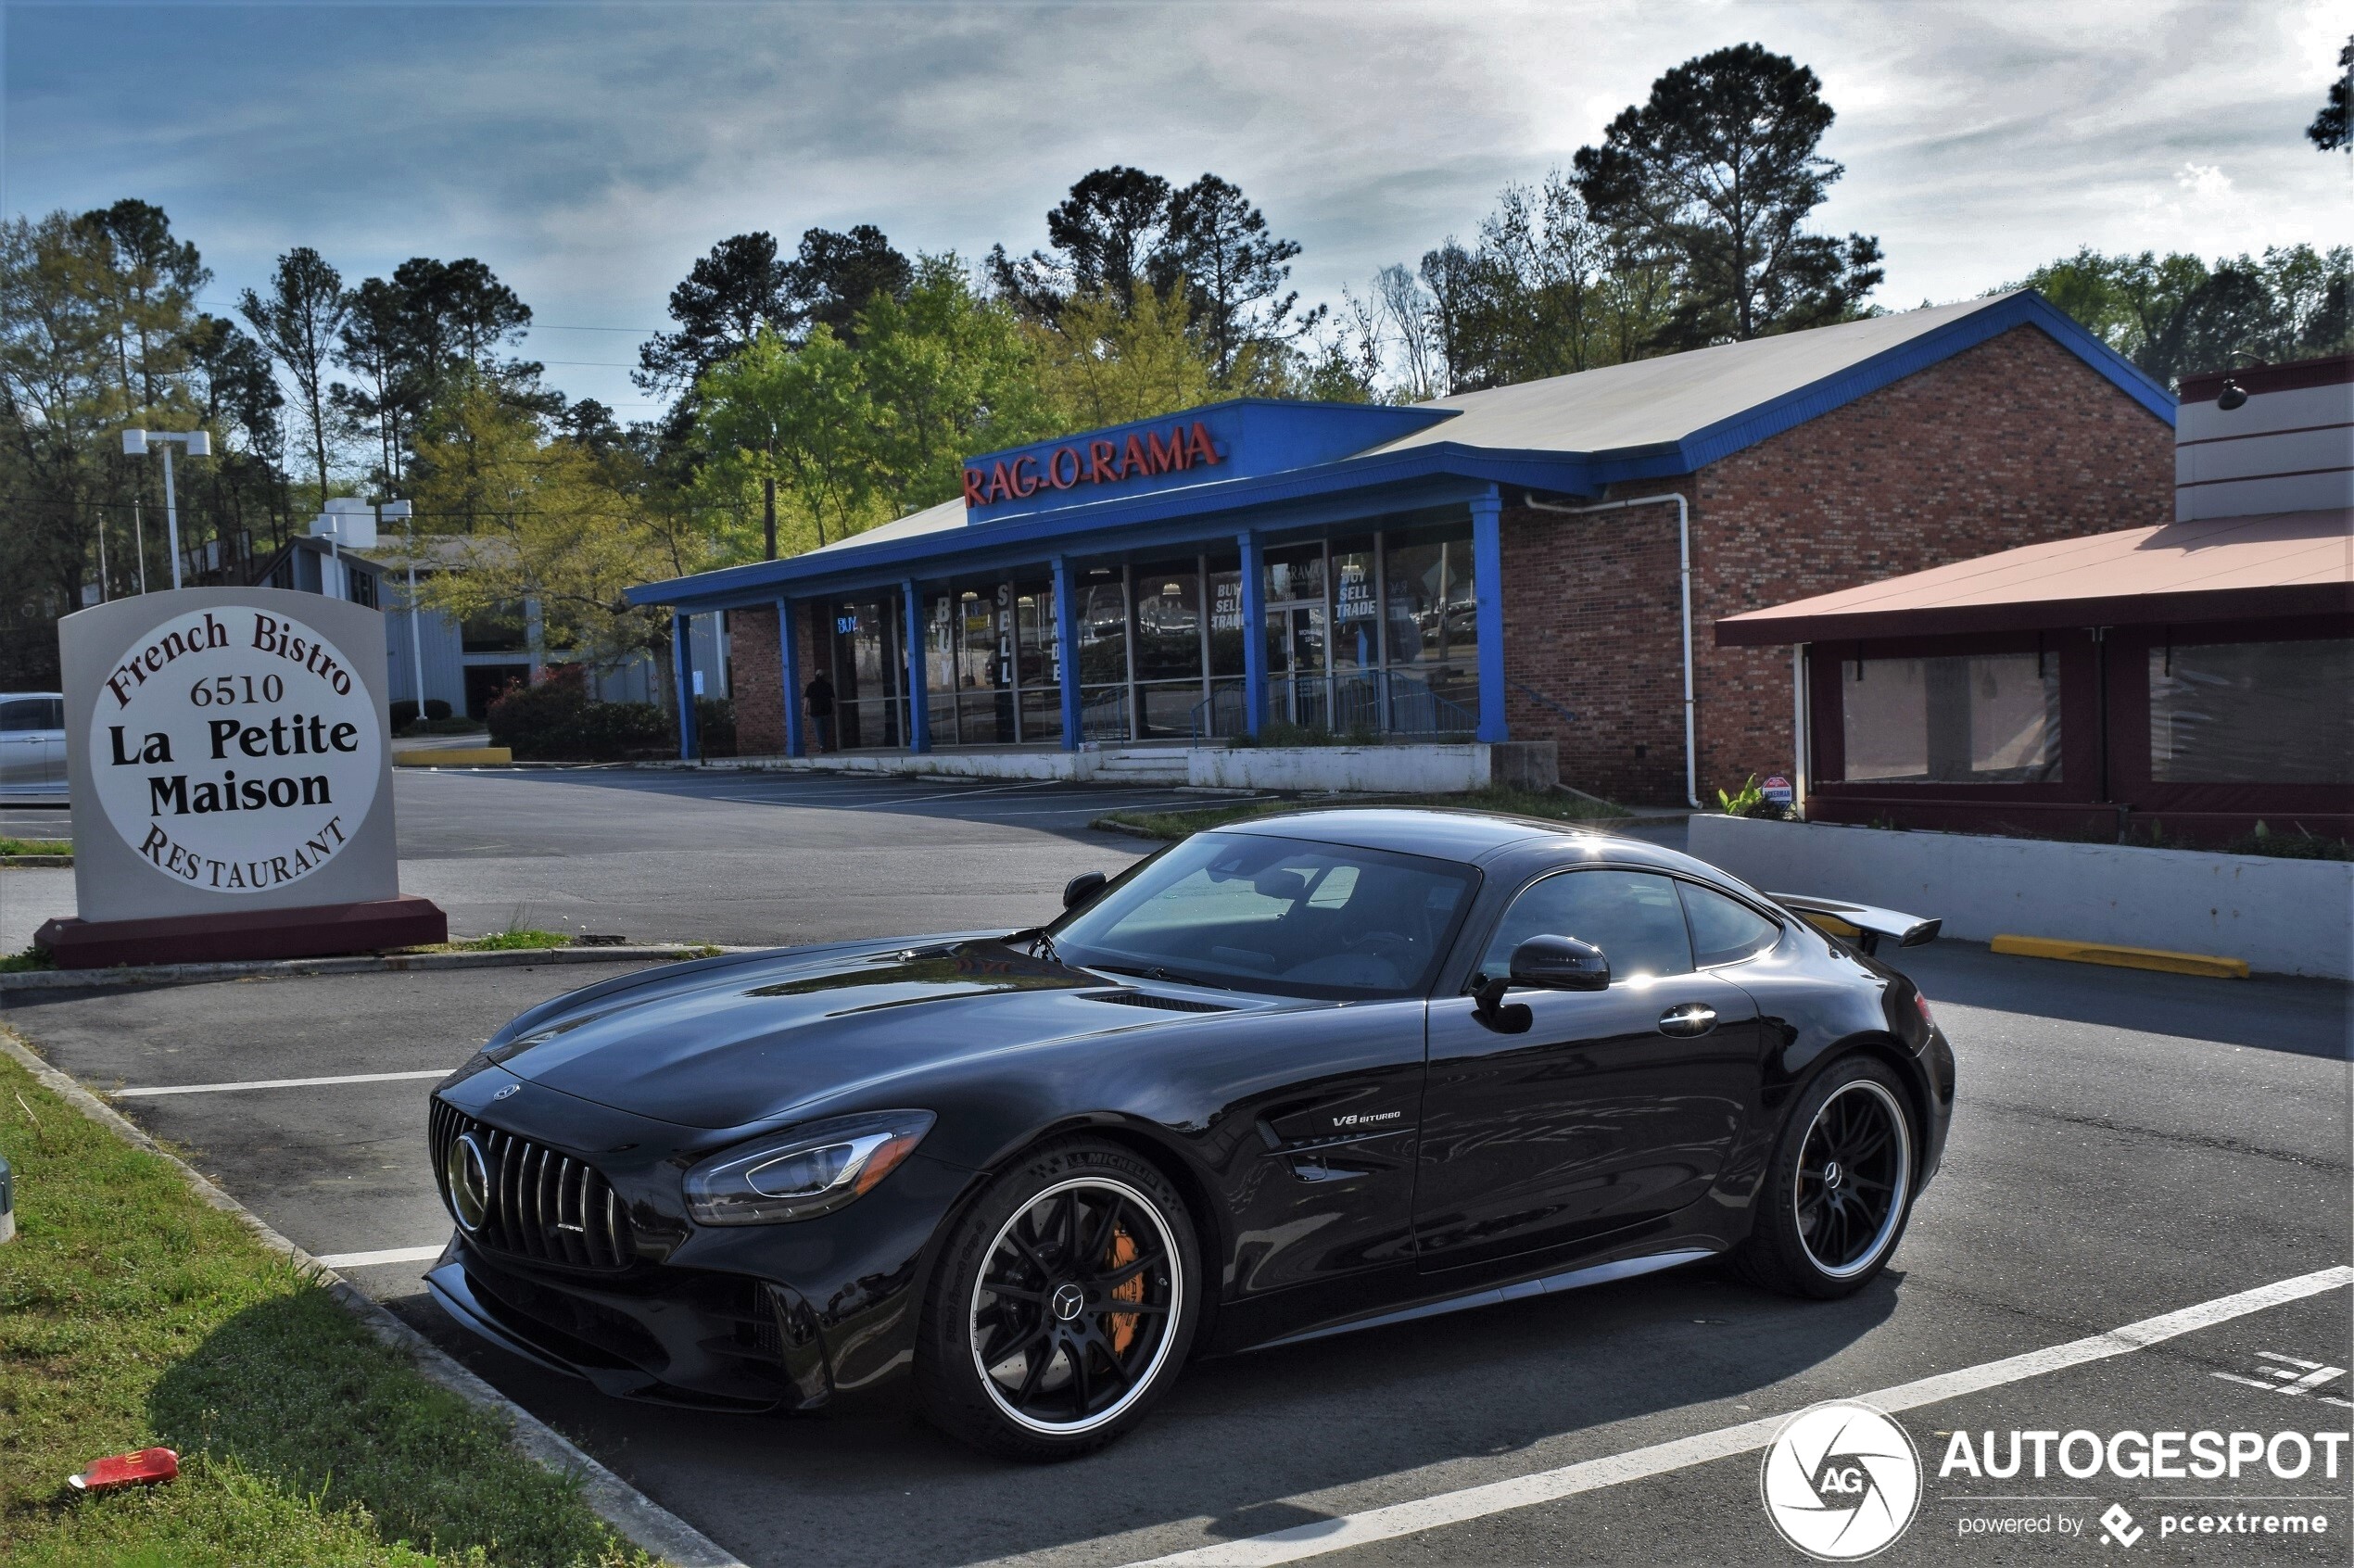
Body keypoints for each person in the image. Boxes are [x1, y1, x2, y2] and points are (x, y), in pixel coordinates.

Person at [804, 671, 836, 752]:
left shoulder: (811, 685)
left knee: (819, 730)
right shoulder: (827, 685)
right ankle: (823, 746)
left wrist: (805, 710)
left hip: (815, 711)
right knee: (824, 730)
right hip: (826, 710)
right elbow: (832, 699)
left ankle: (822, 746)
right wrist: (834, 709)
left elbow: (806, 699)